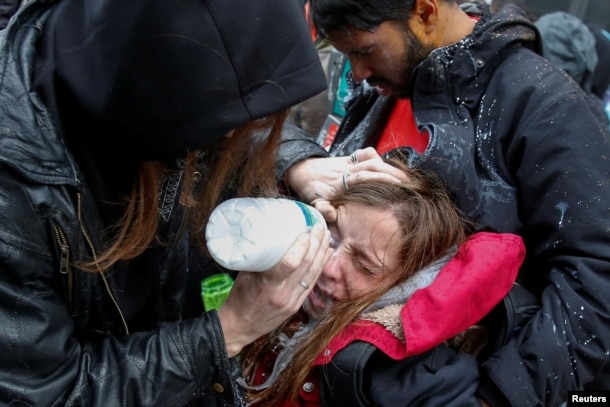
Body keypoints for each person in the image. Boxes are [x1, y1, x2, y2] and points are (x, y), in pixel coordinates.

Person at [0, 0, 341, 405]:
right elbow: (47, 392)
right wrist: (227, 331)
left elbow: (225, 107)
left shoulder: (127, 64)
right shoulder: (15, 191)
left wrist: (294, 164)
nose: (232, 136)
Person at [278, 0, 610, 405]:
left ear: (425, 12)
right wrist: (301, 165)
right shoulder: (391, 85)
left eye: (364, 52)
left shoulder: (548, 106)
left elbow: (596, 278)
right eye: (347, 56)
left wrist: (499, 396)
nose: (358, 74)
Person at [239, 163, 525, 406]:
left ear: (409, 284)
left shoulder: (411, 377)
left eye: (364, 265)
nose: (328, 266)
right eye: (330, 237)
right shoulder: (279, 291)